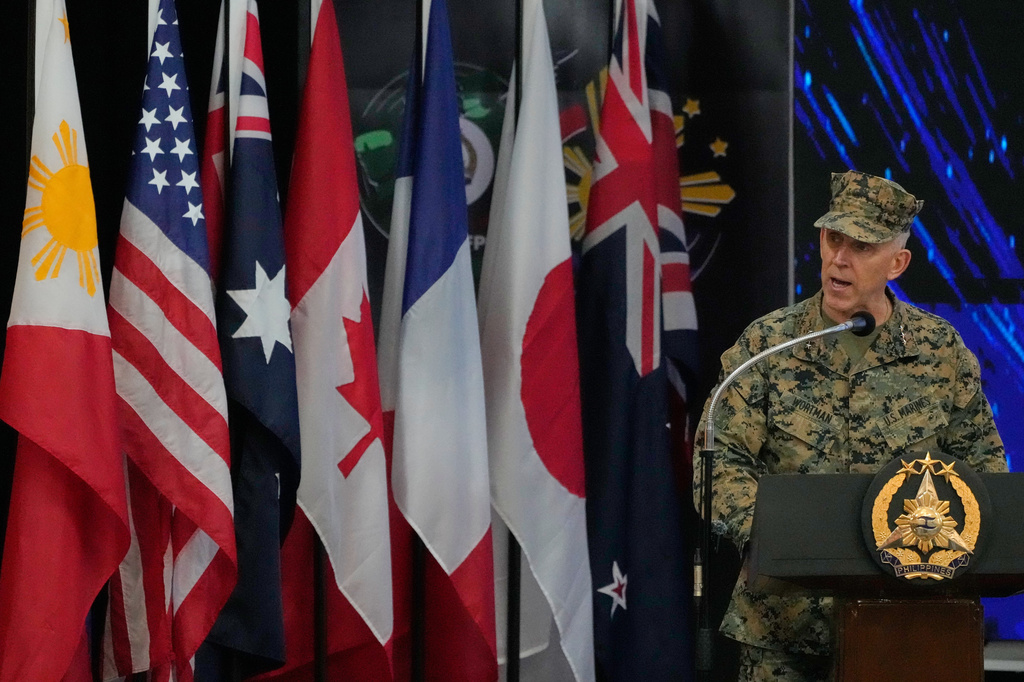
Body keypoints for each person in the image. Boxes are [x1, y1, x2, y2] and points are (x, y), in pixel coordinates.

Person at [694, 170, 1007, 681]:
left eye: (861, 246)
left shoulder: (940, 351)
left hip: (908, 625)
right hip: (781, 630)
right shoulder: (768, 346)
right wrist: (780, 539)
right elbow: (721, 463)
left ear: (898, 263)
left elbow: (983, 471)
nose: (840, 258)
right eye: (833, 238)